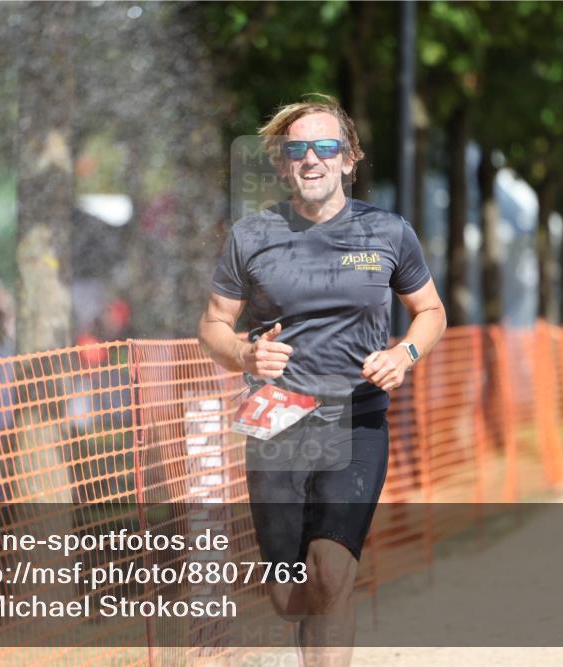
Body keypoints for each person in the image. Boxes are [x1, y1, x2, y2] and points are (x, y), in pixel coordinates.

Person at [198, 95, 446, 666]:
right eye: (298, 150)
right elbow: (212, 324)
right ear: (284, 165)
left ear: (349, 158)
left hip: (356, 420)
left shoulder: (387, 233)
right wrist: (243, 353)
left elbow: (430, 311)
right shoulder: (251, 236)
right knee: (289, 598)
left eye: (326, 146)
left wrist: (404, 352)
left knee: (332, 571)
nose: (312, 159)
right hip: (276, 421)